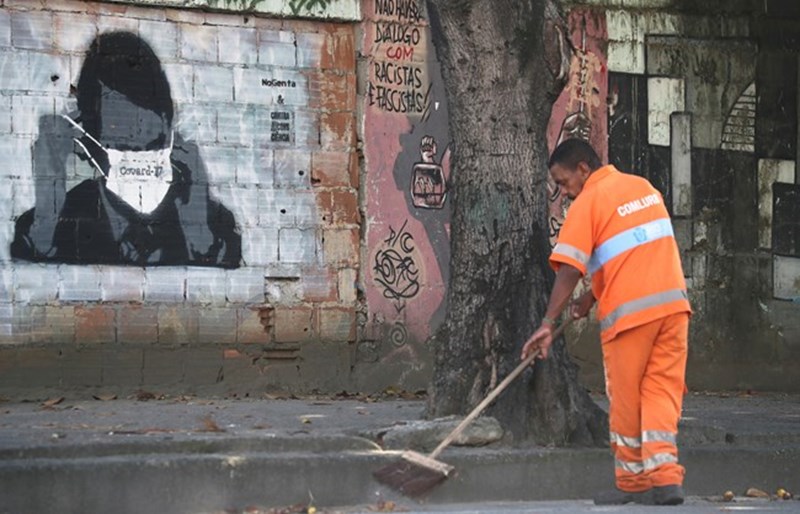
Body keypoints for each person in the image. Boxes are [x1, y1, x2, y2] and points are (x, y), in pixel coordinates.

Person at [521, 139, 691, 506]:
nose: (563, 193)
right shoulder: (644, 188)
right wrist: (590, 297)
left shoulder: (588, 203)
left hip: (630, 317)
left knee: (626, 398)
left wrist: (548, 322)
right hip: (674, 309)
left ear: (584, 169)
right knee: (661, 391)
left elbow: (569, 268)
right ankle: (666, 478)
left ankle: (632, 483)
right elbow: (629, 251)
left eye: (564, 182)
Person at [11, 31, 241, 268]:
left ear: (168, 128)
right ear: (89, 139)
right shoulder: (58, 218)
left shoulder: (215, 222)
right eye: (119, 136)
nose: (137, 148)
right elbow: (32, 271)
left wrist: (198, 226)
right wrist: (50, 191)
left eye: (150, 136)